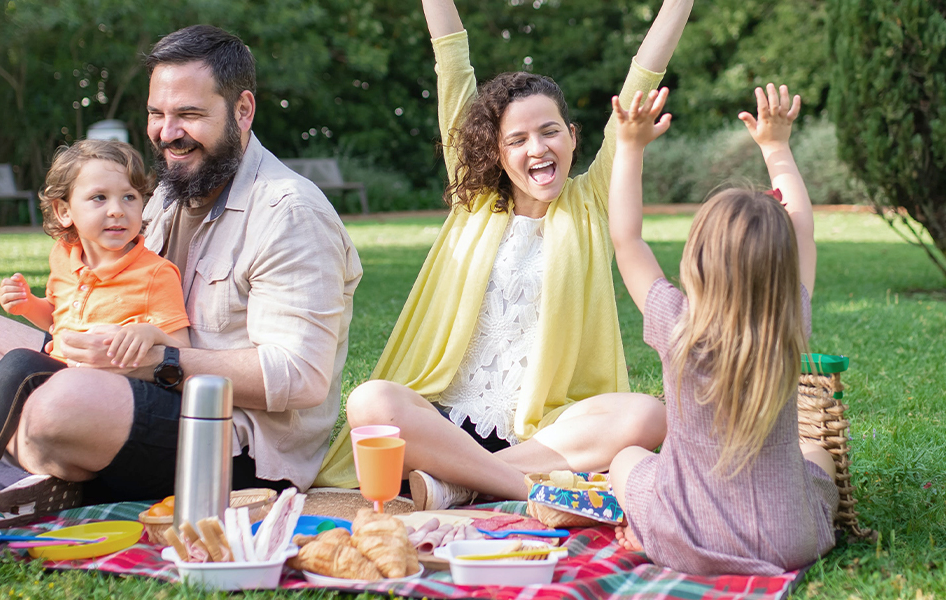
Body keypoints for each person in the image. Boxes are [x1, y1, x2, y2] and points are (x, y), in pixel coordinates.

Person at [0, 25, 362, 511]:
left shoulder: (289, 212)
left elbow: (301, 377)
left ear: (243, 111)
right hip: (126, 387)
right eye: (156, 114)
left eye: (189, 115)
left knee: (55, 406)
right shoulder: (167, 194)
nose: (167, 133)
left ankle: (34, 458)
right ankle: (53, 461)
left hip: (230, 440)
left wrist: (160, 362)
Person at [319, 0, 691, 508]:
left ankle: (460, 482)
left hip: (543, 433)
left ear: (573, 137)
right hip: (444, 420)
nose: (536, 148)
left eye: (549, 131)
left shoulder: (593, 202)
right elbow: (451, 61)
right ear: (496, 152)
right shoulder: (474, 199)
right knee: (370, 401)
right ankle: (522, 488)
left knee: (650, 415)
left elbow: (642, 80)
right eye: (516, 139)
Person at [0, 139, 192, 530]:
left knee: (19, 363)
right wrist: (28, 306)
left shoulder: (154, 274)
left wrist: (150, 334)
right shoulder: (64, 257)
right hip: (59, 370)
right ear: (64, 210)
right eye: (99, 198)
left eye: (130, 197)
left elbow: (181, 347)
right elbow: (59, 320)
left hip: (103, 392)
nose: (117, 210)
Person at [606, 83, 837, 575]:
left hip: (683, 537)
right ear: (782, 267)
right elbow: (803, 230)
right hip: (787, 540)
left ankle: (640, 529)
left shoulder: (677, 323)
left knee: (626, 459)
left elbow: (626, 241)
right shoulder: (788, 319)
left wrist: (630, 148)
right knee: (816, 451)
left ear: (697, 260)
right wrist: (776, 147)